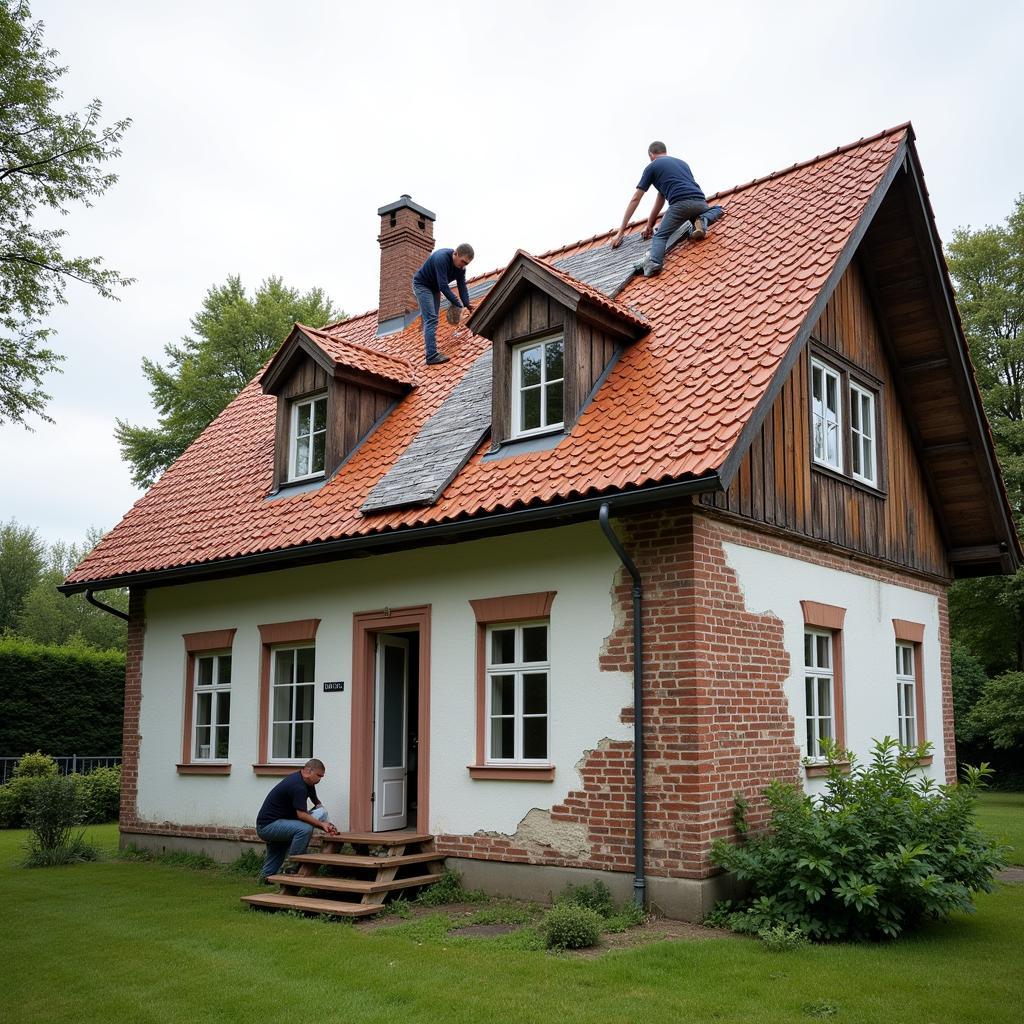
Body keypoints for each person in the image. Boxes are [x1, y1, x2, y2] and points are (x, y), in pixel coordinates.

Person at [610, 141, 710, 275]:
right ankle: (701, 219)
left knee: (660, 236)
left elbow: (636, 198)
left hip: (680, 205)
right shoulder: (682, 163)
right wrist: (649, 225)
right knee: (699, 212)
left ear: (651, 155)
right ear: (665, 151)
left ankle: (654, 262)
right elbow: (660, 199)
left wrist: (621, 232)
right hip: (701, 203)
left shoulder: (652, 166)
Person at [256, 757, 339, 882]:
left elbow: (318, 805)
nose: (319, 779)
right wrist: (322, 825)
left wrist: (328, 823)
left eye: (322, 777)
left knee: (277, 853)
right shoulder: (297, 786)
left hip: (283, 822)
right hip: (268, 826)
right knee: (304, 829)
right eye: (318, 776)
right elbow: (302, 815)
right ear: (308, 771)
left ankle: (265, 879)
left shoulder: (309, 783)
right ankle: (292, 866)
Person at [413, 243, 475, 365]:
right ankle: (431, 355)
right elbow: (444, 287)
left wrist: (468, 304)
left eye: (466, 264)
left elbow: (462, 287)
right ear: (455, 253)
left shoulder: (461, 269)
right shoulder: (441, 258)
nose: (463, 265)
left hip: (434, 288)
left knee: (433, 320)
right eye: (463, 261)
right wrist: (458, 304)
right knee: (431, 319)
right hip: (422, 285)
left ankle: (432, 350)